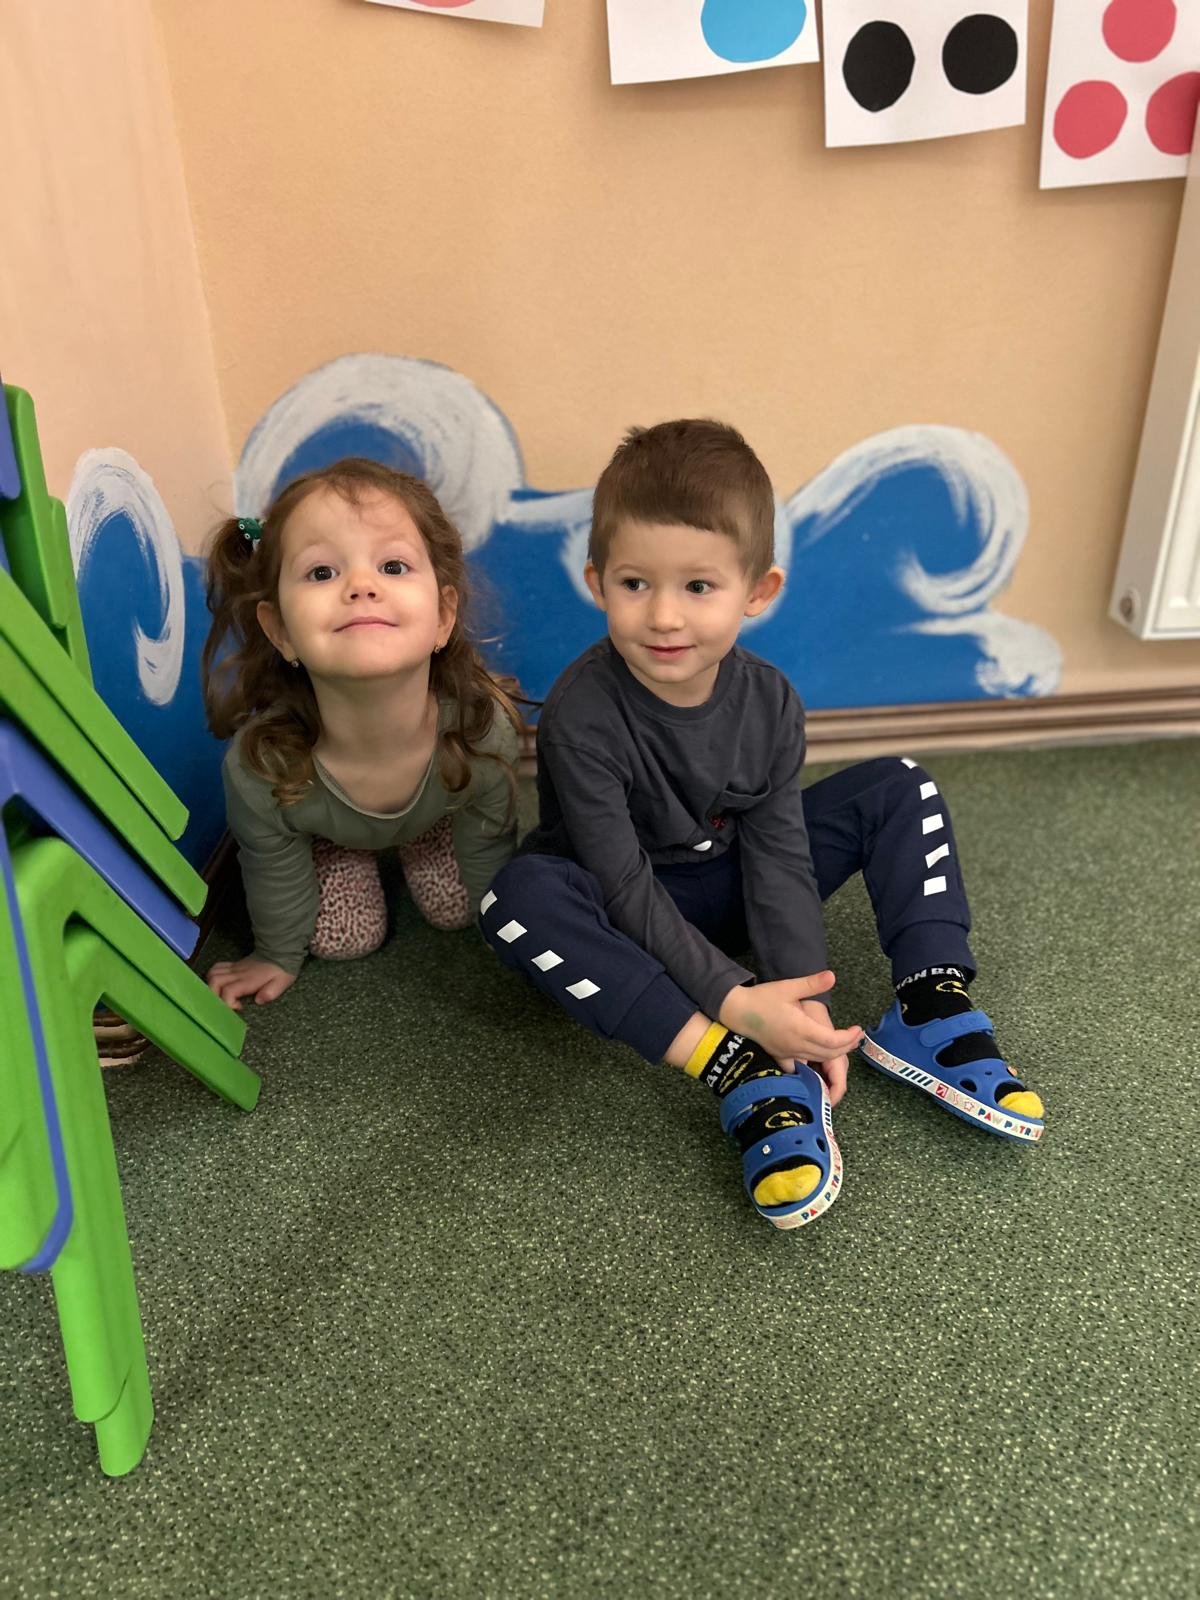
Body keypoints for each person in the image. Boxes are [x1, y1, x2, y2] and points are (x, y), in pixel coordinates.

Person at [480, 420, 1044, 1231]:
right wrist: (737, 1004)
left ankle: (929, 1006)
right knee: (515, 899)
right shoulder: (582, 713)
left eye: (698, 586)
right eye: (636, 584)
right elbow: (621, 882)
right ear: (598, 582)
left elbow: (778, 852)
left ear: (758, 591)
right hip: (623, 917)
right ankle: (739, 1068)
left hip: (730, 881)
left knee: (900, 785)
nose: (664, 616)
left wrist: (803, 998)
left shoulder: (771, 700)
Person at [202, 457, 521, 1010]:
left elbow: (491, 839)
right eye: (321, 573)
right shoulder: (262, 765)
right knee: (344, 941)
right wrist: (276, 954)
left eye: (393, 566)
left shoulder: (480, 729)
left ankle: (425, 838)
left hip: (438, 812)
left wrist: (507, 927)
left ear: (443, 617)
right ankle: (347, 852)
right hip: (331, 835)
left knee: (461, 910)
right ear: (280, 631)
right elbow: (271, 864)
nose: (361, 586)